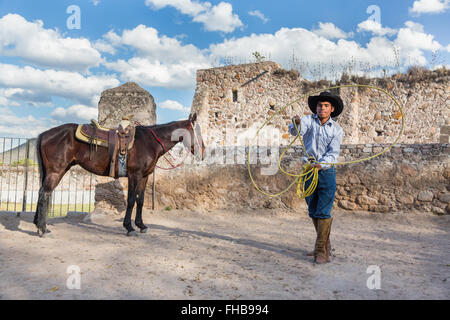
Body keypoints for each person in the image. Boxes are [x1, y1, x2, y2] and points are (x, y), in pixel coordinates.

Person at [288, 91, 344, 264]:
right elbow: (295, 131)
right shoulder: (307, 121)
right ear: (316, 108)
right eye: (320, 105)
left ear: (332, 109)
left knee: (323, 210)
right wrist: (296, 123)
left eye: (326, 106)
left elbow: (333, 154)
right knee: (312, 208)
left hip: (326, 172)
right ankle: (325, 246)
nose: (322, 108)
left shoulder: (336, 129)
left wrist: (322, 164)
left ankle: (321, 251)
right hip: (308, 171)